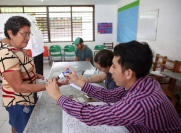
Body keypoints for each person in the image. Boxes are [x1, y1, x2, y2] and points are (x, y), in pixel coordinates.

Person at [46, 41, 181, 132]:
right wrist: (77, 81)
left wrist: (58, 96)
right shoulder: (144, 82)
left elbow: (91, 115)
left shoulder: (139, 103)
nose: (110, 71)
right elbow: (109, 95)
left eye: (114, 67)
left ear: (128, 73)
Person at [0, 16, 46, 133]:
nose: (27, 38)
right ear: (11, 33)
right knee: (25, 128)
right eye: (24, 34)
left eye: (29, 34)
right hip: (20, 101)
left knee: (17, 126)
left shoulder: (16, 46)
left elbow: (18, 67)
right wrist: (48, 86)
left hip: (26, 97)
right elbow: (18, 86)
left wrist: (33, 75)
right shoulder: (6, 53)